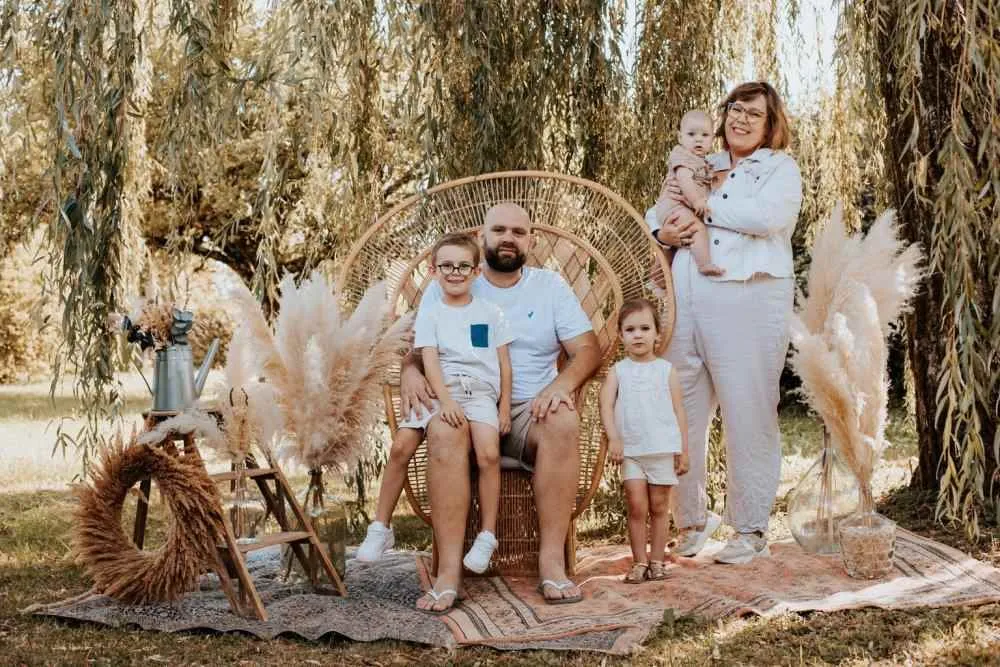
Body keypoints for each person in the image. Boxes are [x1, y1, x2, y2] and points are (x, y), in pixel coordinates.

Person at [403, 203, 601, 613]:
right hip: (465, 405)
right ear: (482, 236)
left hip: (529, 409)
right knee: (442, 429)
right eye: (499, 230)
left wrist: (560, 386)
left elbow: (587, 349)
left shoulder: (550, 287)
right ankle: (449, 573)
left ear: (531, 241)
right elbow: (419, 347)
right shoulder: (453, 278)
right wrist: (409, 371)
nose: (509, 238)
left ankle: (551, 563)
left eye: (518, 231)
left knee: (564, 419)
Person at [649, 81, 803, 565]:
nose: (740, 119)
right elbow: (657, 211)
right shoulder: (703, 162)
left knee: (747, 410)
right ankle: (691, 520)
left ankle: (750, 529)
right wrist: (663, 230)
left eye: (753, 114)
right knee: (681, 410)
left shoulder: (778, 169)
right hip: (685, 298)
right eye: (735, 109)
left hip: (748, 298)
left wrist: (705, 205)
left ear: (770, 125)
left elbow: (765, 218)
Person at [357, 232, 514, 577]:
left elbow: (504, 364)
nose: (455, 272)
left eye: (463, 266)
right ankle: (381, 527)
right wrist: (445, 401)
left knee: (489, 454)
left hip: (480, 394)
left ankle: (487, 535)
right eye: (447, 266)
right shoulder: (430, 314)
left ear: (476, 271)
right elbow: (429, 360)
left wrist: (504, 407)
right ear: (433, 270)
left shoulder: (491, 313)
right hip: (441, 389)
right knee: (400, 446)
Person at [600, 298, 690, 583]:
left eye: (644, 328)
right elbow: (605, 406)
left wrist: (683, 450)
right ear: (621, 335)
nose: (637, 335)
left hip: (661, 449)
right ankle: (639, 562)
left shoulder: (666, 370)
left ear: (656, 334)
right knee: (637, 506)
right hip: (632, 451)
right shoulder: (618, 372)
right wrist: (614, 438)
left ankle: (657, 561)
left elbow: (679, 411)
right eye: (630, 330)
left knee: (660, 507)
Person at [653, 110, 724, 276]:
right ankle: (704, 264)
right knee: (696, 228)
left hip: (678, 208)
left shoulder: (702, 161)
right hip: (674, 205)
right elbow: (684, 180)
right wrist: (697, 201)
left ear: (712, 139)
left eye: (705, 135)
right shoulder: (683, 156)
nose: (698, 139)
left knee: (679, 237)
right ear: (680, 137)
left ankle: (661, 271)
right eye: (691, 134)